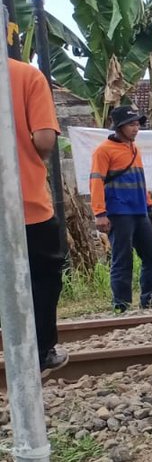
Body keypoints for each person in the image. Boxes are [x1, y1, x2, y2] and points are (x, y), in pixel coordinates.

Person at [8, 55, 67, 372]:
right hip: (25, 202)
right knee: (42, 278)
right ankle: (41, 350)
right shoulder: (25, 75)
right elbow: (45, 138)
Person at [90, 105, 152, 313]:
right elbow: (96, 182)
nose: (136, 129)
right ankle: (121, 304)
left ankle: (149, 297)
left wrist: (150, 206)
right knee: (122, 258)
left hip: (139, 211)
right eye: (131, 125)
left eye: (137, 124)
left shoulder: (134, 149)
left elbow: (140, 180)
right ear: (119, 127)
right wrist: (100, 213)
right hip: (118, 212)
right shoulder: (103, 151)